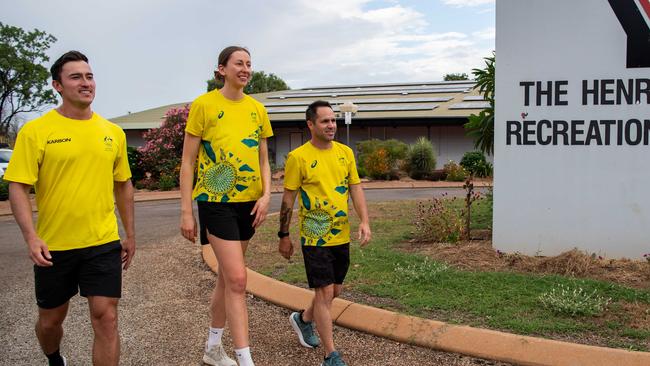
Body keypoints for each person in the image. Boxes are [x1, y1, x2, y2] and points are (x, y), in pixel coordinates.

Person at [5, 50, 135, 366]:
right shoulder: (36, 131)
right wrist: (31, 238)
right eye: (76, 77)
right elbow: (18, 187)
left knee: (106, 318)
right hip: (55, 246)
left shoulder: (112, 133)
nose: (85, 82)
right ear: (57, 85)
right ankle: (53, 357)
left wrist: (129, 234)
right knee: (50, 322)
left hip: (102, 243)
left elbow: (123, 185)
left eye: (89, 76)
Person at [180, 46, 272, 366]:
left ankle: (212, 348)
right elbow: (188, 162)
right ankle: (245, 359)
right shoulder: (204, 106)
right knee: (237, 279)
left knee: (226, 279)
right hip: (215, 202)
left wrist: (266, 194)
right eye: (238, 63)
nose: (245, 69)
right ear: (221, 69)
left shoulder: (257, 110)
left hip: (249, 204)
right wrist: (185, 210)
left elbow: (263, 158)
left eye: (249, 64)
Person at [278, 100, 371, 366]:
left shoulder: (345, 153)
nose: (331, 125)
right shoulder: (298, 158)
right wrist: (283, 235)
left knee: (334, 291)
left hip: (340, 235)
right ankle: (331, 356)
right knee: (324, 292)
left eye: (333, 120)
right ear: (311, 124)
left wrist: (364, 221)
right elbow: (288, 200)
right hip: (314, 236)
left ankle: (303, 319)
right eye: (325, 121)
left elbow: (355, 188)